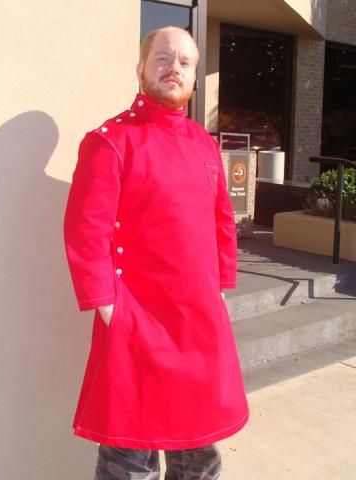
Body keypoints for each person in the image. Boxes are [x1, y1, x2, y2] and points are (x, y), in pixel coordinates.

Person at [63, 26, 249, 480]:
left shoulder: (206, 144)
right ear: (142, 68)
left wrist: (221, 290)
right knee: (130, 458)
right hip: (137, 323)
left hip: (197, 323)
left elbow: (222, 222)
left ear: (194, 76)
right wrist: (110, 309)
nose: (174, 68)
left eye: (185, 62)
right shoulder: (109, 140)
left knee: (199, 455)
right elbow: (87, 232)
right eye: (163, 58)